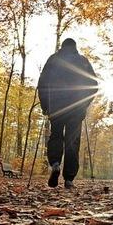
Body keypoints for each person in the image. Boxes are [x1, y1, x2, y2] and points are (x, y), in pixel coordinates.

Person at [37, 38, 98, 189]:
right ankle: (69, 179)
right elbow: (94, 85)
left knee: (56, 136)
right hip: (76, 109)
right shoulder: (83, 61)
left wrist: (45, 106)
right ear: (75, 47)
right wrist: (84, 104)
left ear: (62, 47)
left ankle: (55, 164)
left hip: (56, 107)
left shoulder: (53, 59)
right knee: (72, 141)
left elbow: (42, 84)